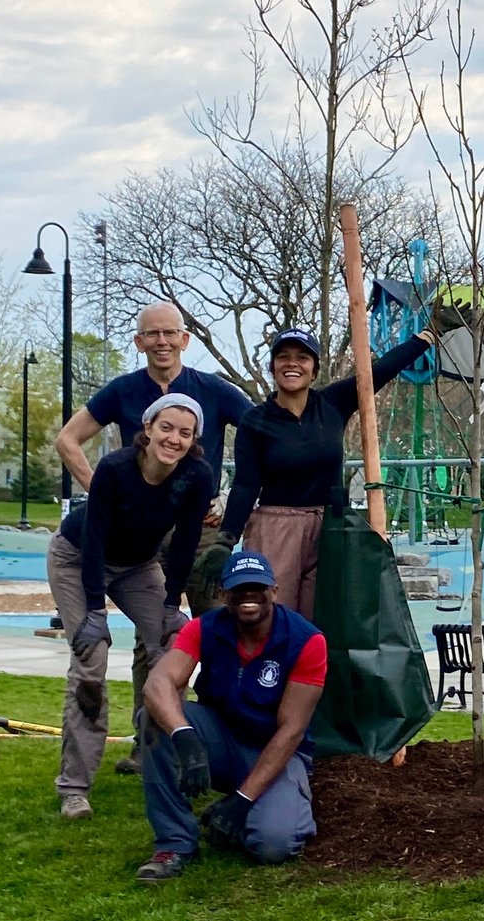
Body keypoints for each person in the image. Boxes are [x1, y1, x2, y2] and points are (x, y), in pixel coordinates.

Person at [45, 394, 217, 819]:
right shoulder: (116, 468)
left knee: (173, 644)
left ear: (194, 440)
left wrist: (171, 604)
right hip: (77, 558)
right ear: (148, 428)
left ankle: (161, 762)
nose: (173, 439)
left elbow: (184, 544)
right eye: (166, 428)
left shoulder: (196, 476)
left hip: (139, 565)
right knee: (91, 659)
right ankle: (74, 788)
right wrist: (94, 613)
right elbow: (94, 540)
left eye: (184, 432)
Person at [217, 323, 435, 617]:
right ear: (272, 366)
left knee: (326, 615)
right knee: (274, 615)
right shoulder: (255, 421)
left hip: (330, 526)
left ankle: (319, 666)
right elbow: (245, 484)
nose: (292, 363)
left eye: (302, 357)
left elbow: (379, 371)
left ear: (314, 370)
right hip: (277, 527)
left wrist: (425, 337)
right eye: (283, 356)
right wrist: (226, 538)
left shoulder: (333, 403)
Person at [132, 549, 326, 878]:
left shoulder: (307, 641)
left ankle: (242, 808)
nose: (248, 596)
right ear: (224, 595)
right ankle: (175, 843)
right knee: (153, 719)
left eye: (257, 588)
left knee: (273, 845)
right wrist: (184, 735)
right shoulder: (203, 628)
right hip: (220, 736)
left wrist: (241, 801)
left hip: (275, 749)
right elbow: (158, 682)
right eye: (238, 589)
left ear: (274, 592)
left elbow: (291, 730)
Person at [56, 301, 252, 490]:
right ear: (139, 342)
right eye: (152, 334)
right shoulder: (122, 390)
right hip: (140, 518)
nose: (162, 341)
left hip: (203, 518)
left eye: (169, 333)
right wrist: (102, 495)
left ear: (184, 340)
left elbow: (268, 434)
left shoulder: (214, 389)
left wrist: (231, 498)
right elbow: (67, 440)